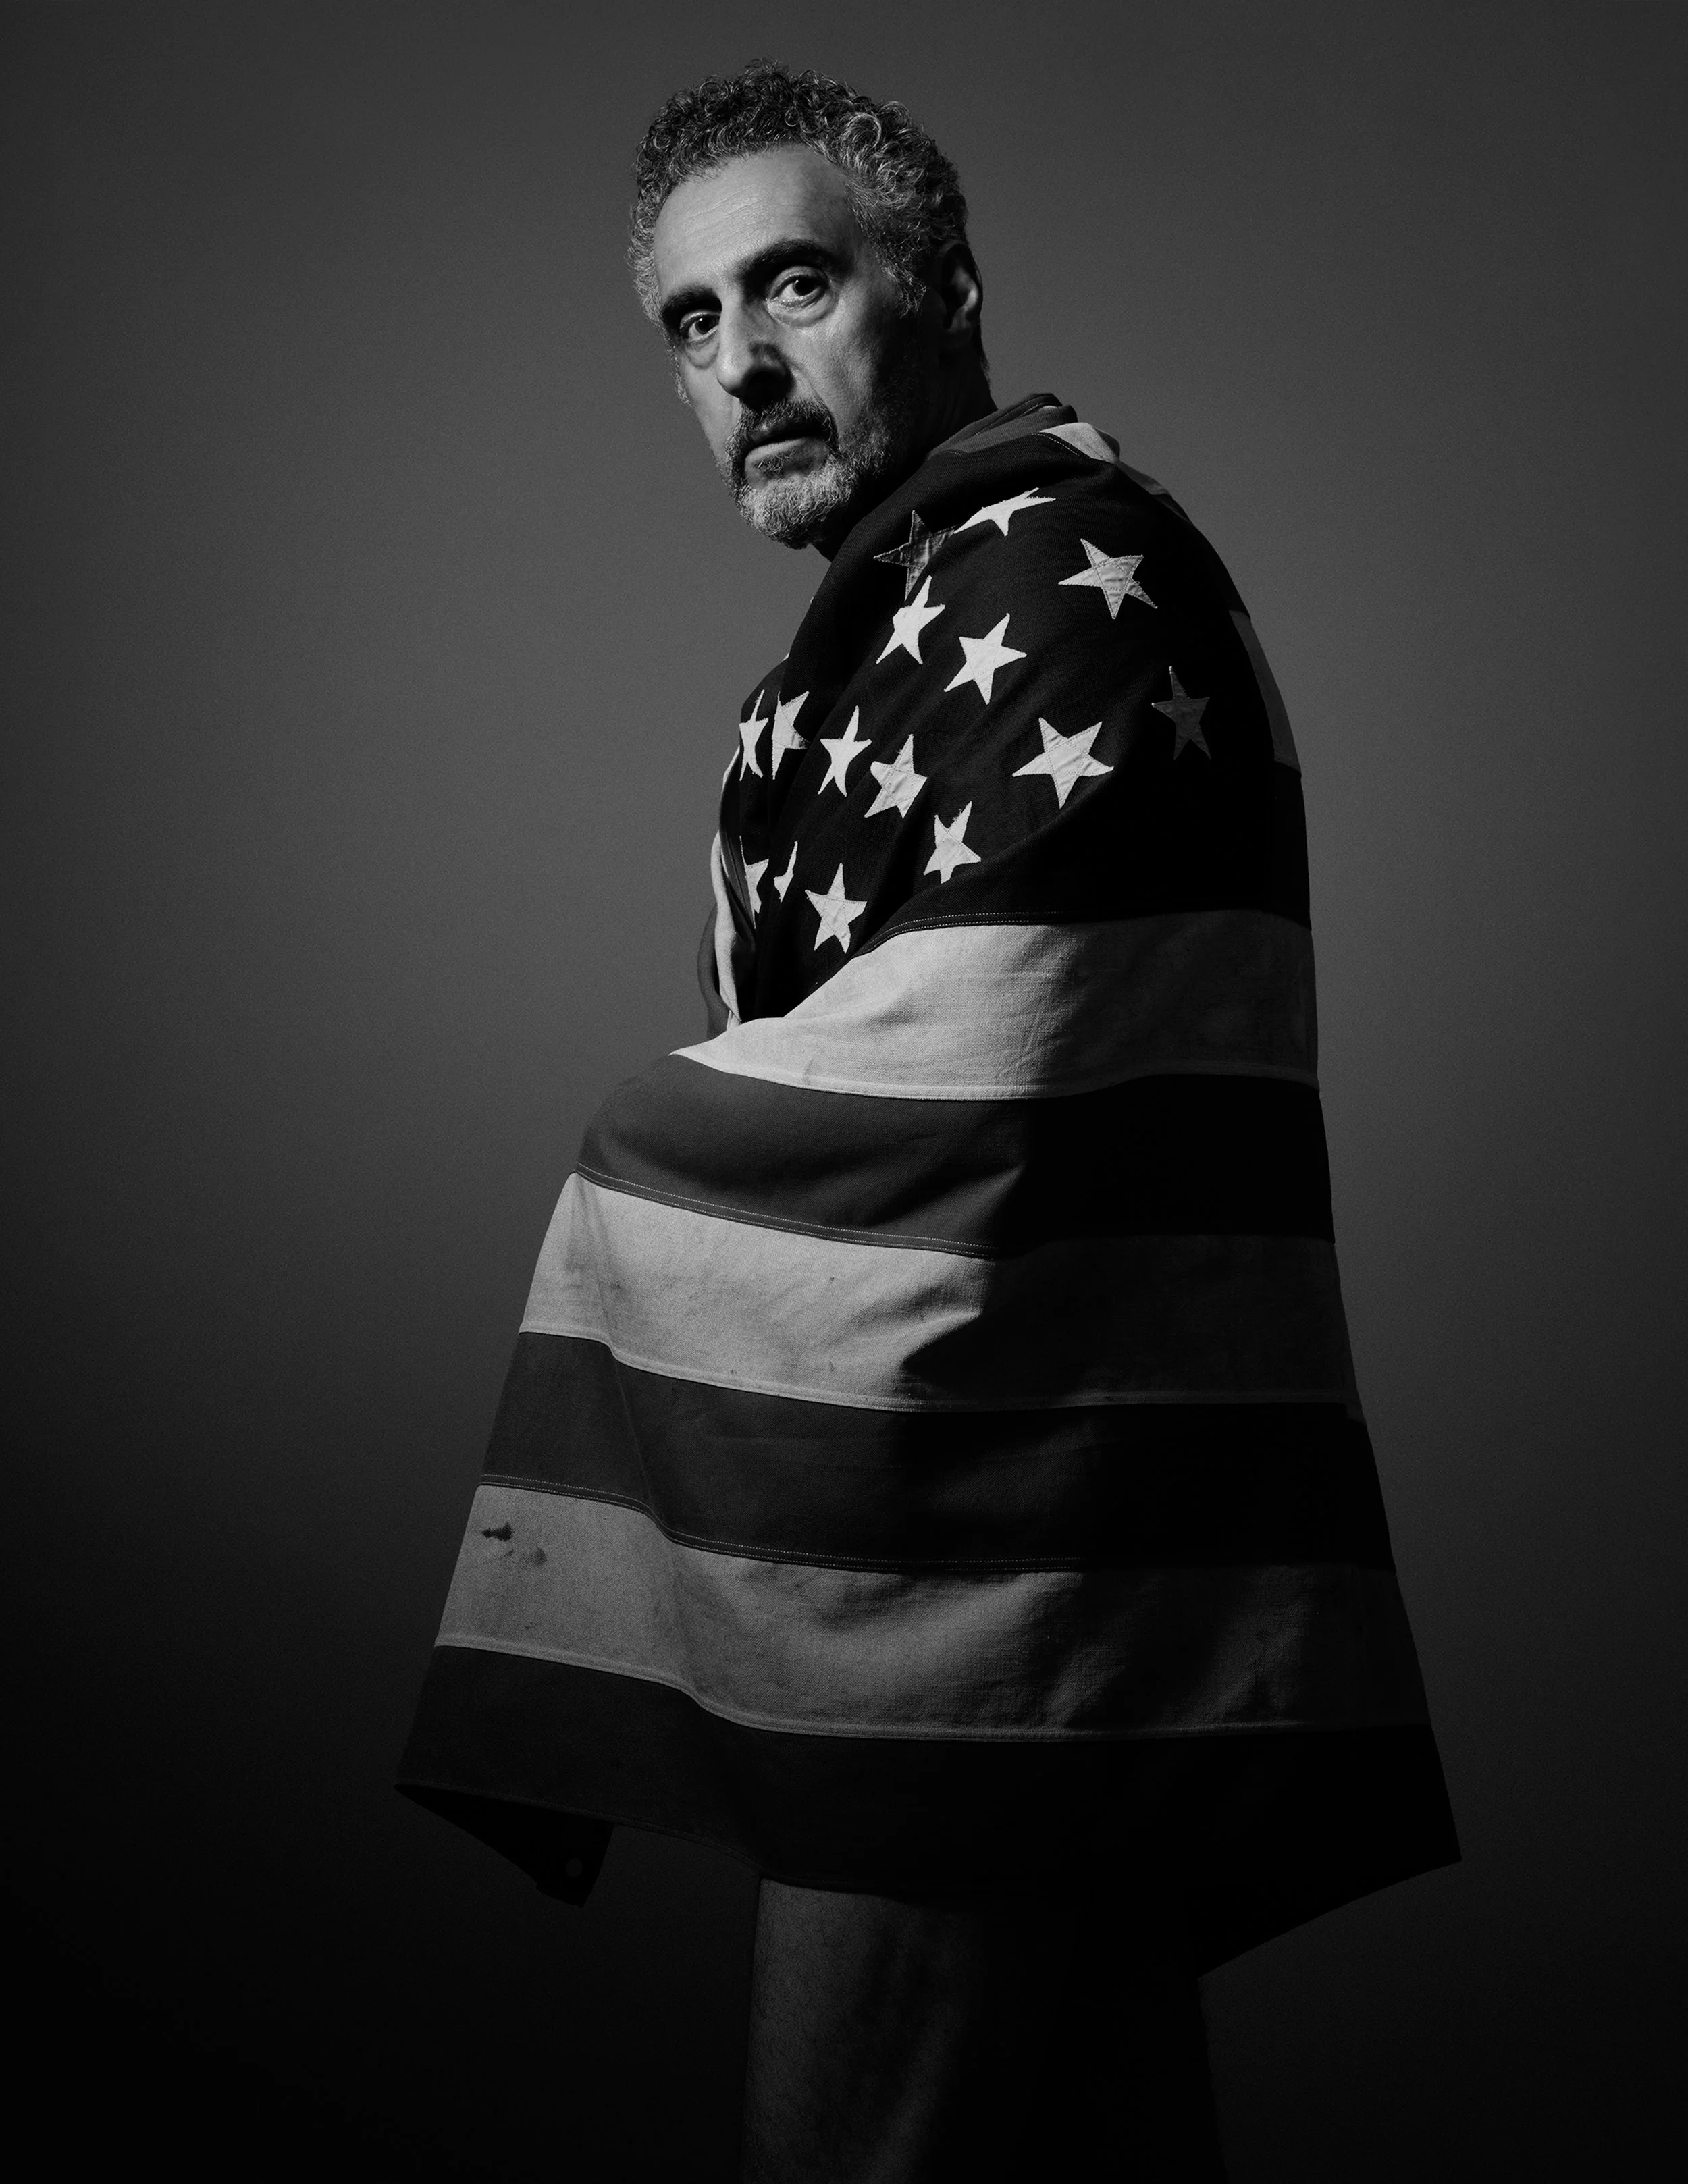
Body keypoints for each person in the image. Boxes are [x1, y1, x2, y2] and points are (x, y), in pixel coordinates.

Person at [398, 61, 1458, 2181]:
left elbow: (989, 1069)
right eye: (691, 321)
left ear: (942, 285)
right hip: (972, 1543)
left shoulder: (1071, 567)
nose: (740, 364)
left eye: (793, 285)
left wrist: (625, 1159)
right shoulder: (849, 650)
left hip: (987, 1561)